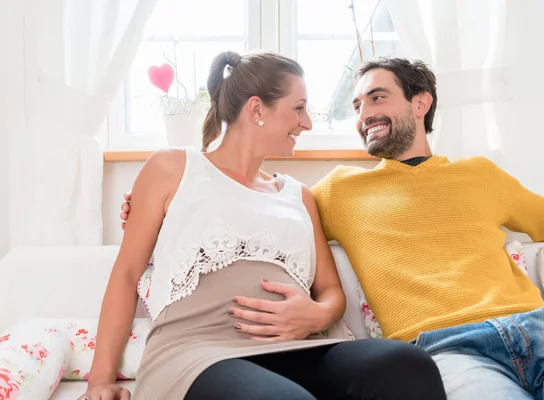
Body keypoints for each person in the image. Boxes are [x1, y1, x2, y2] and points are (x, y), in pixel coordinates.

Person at [120, 55, 544, 400]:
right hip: (448, 351)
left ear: (420, 103)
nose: (364, 113)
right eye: (356, 105)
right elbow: (252, 213)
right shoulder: (337, 193)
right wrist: (155, 207)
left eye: (377, 97)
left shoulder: (482, 174)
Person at [82, 51, 446, 400]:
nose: (308, 123)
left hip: (301, 347)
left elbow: (332, 292)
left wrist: (316, 314)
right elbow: (127, 275)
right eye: (299, 108)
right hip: (199, 352)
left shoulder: (299, 196)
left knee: (407, 364)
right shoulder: (173, 168)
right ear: (257, 109)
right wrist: (100, 379)